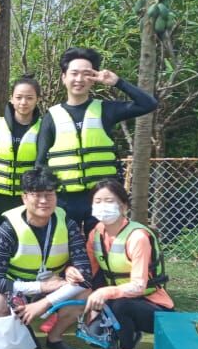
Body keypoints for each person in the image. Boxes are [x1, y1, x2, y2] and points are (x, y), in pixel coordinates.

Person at [36, 47, 158, 233]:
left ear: (94, 78)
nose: (79, 79)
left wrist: (117, 82)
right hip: (65, 199)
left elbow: (148, 104)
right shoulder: (51, 117)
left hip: (102, 197)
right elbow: (40, 162)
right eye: (74, 73)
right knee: (67, 252)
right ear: (64, 77)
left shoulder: (106, 110)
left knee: (104, 250)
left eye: (87, 74)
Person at [0, 167, 93, 349]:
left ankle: (55, 338)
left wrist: (44, 301)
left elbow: (86, 277)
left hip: (51, 290)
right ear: (24, 197)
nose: (43, 201)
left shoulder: (68, 225)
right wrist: (39, 286)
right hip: (16, 289)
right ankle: (11, 339)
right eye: (37, 195)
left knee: (85, 292)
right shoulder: (8, 229)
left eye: (49, 194)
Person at [82, 179, 174, 349]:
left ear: (123, 206)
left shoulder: (137, 237)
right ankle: (125, 332)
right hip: (119, 299)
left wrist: (105, 292)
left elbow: (139, 286)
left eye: (109, 201)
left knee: (120, 306)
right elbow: (89, 271)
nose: (102, 206)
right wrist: (74, 273)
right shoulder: (95, 234)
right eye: (97, 201)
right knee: (102, 305)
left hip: (154, 307)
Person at [0, 75, 43, 239]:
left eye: (29, 98)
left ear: (37, 100)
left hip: (27, 200)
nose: (23, 102)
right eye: (18, 97)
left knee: (26, 245)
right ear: (11, 99)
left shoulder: (43, 128)